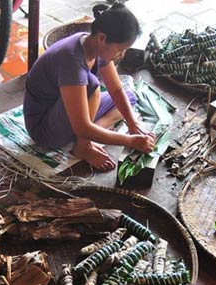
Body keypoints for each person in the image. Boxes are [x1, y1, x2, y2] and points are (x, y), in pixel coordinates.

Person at [23, 3, 155, 171]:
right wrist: (129, 140)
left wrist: (133, 125)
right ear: (102, 38)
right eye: (120, 49)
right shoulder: (71, 60)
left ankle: (88, 136)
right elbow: (81, 127)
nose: (121, 55)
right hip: (44, 128)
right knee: (92, 85)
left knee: (128, 97)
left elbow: (116, 90)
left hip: (65, 110)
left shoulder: (95, 45)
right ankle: (83, 146)